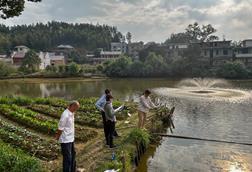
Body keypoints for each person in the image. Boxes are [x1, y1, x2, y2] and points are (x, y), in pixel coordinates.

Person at [55, 101, 80, 172]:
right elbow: (60, 128)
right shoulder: (65, 115)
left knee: (73, 155)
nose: (76, 110)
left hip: (71, 139)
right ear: (72, 106)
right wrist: (57, 136)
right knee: (67, 158)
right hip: (65, 140)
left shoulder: (71, 113)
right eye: (76, 108)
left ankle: (73, 170)